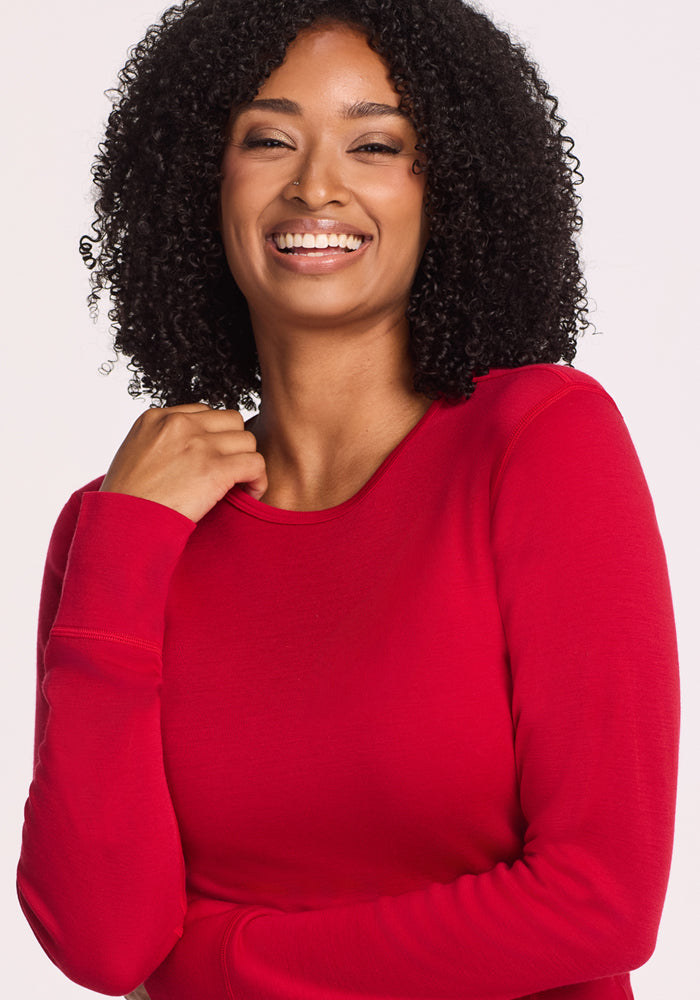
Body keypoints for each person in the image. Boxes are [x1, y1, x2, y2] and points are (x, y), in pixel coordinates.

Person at [17, 0, 679, 998]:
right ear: (204, 180)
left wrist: (224, 963)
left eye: (374, 144)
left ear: (447, 188)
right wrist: (125, 541)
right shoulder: (119, 527)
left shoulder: (538, 443)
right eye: (269, 138)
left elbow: (597, 899)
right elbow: (107, 943)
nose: (315, 185)